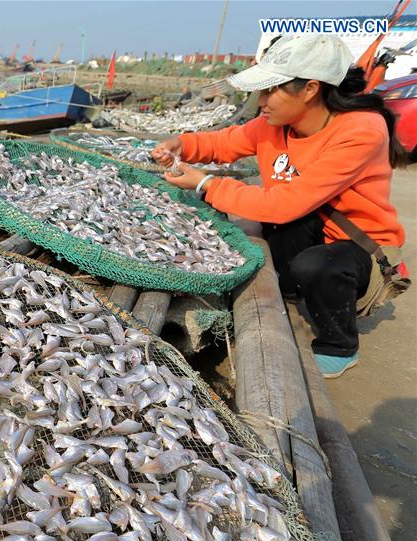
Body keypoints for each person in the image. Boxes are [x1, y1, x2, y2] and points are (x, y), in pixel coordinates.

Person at [152, 34, 409, 379]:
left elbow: (286, 203)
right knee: (281, 231)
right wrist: (181, 144)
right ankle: (291, 287)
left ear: (310, 89)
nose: (261, 101)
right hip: (307, 223)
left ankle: (339, 346)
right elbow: (226, 142)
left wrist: (205, 183)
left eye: (271, 90)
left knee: (316, 265)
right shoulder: (276, 124)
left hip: (357, 248)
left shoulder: (361, 131)